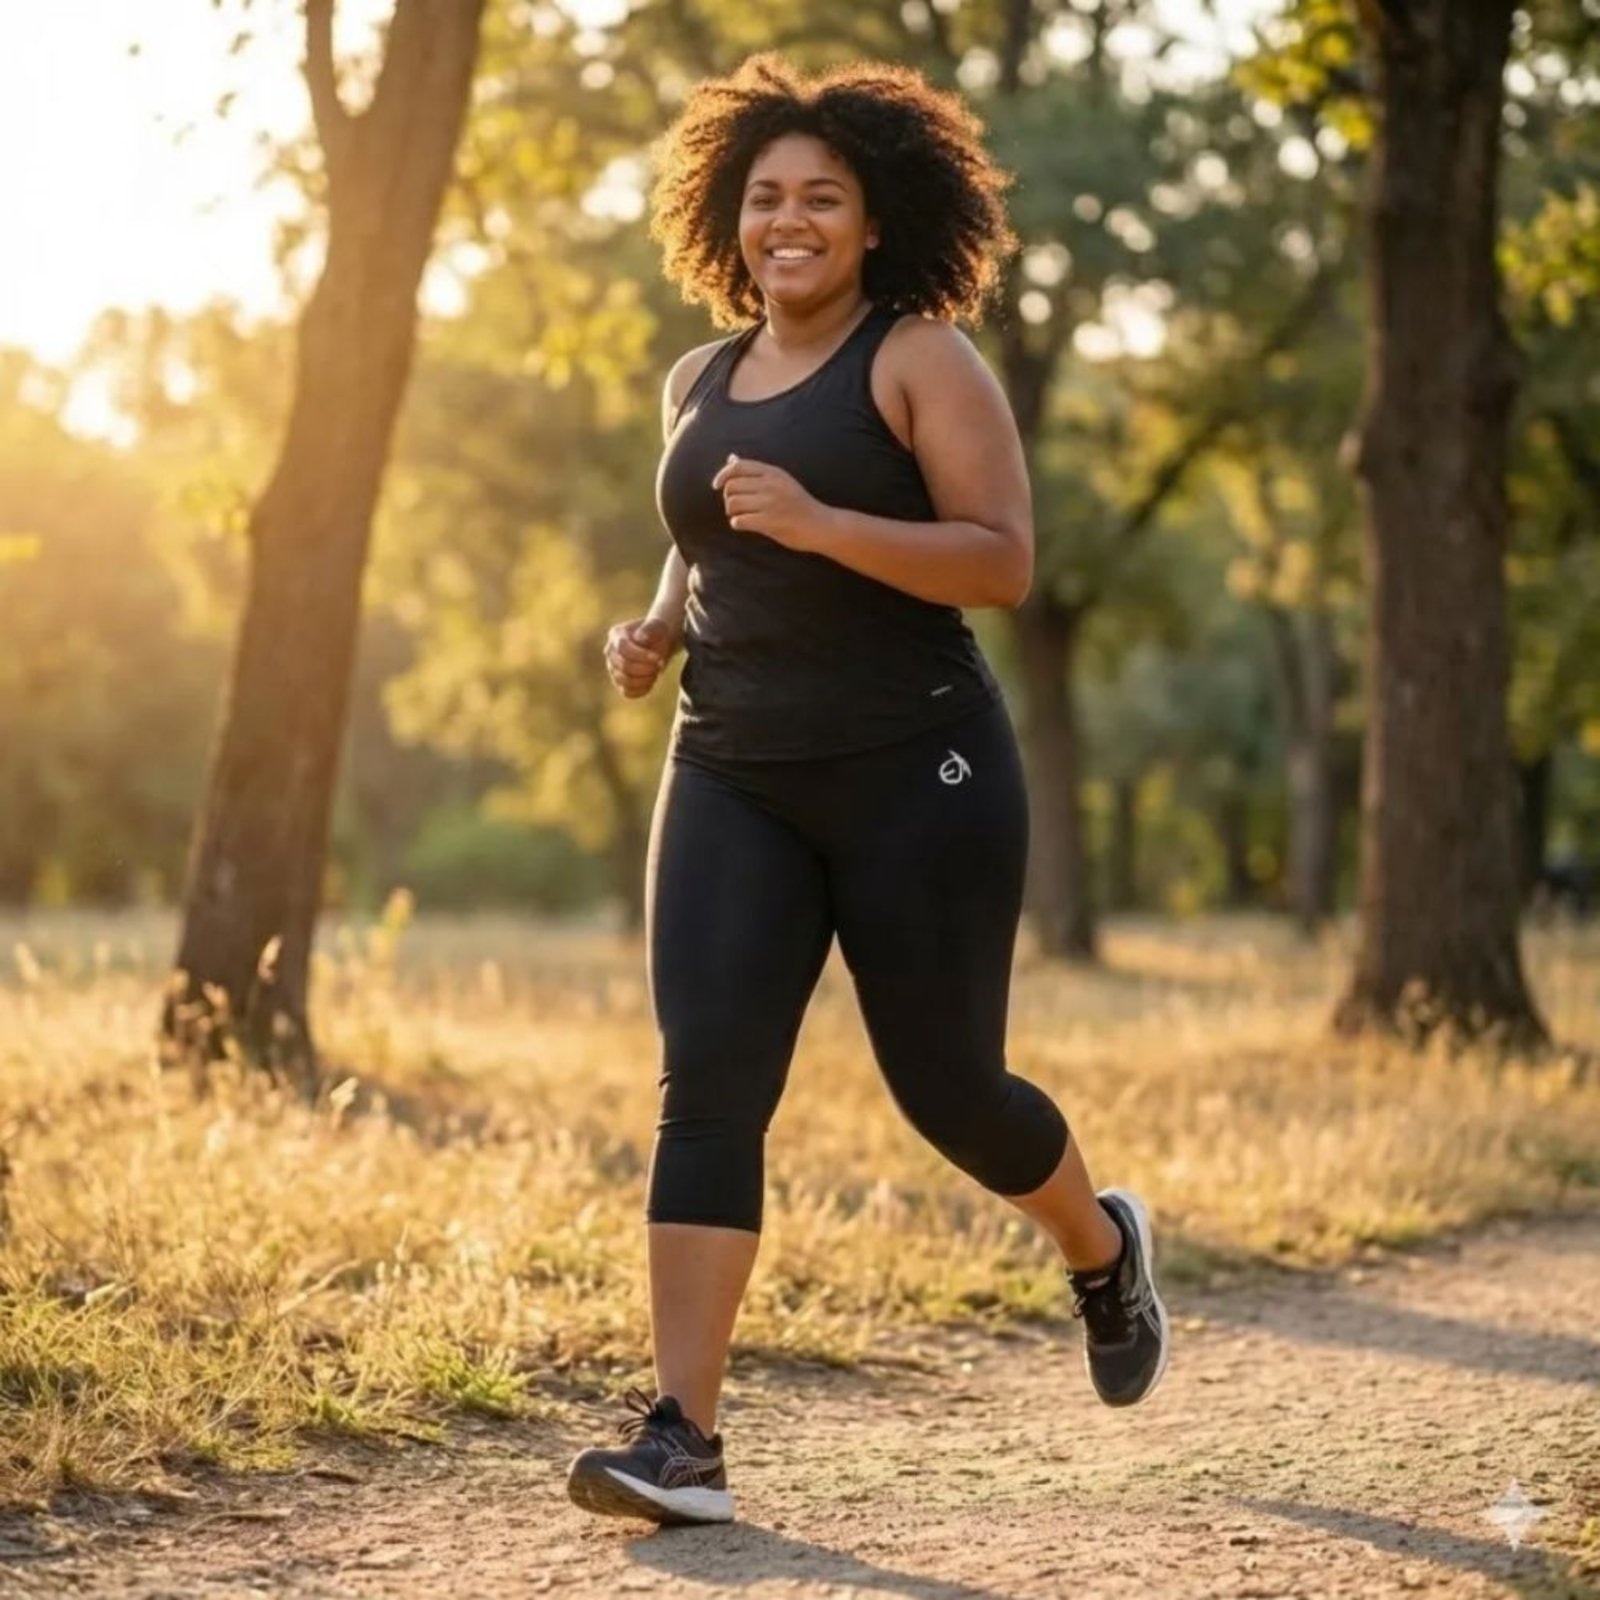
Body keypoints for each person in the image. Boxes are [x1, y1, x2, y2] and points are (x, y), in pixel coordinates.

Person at [565, 52, 1170, 1529]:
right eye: (765, 195)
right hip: (731, 769)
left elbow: (1002, 562)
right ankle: (683, 1441)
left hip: (921, 773)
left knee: (949, 1090)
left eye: (822, 198)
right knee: (709, 1083)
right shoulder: (699, 377)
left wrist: (826, 522)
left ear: (876, 219)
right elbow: (703, 534)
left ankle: (1101, 1250)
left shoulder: (920, 361)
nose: (790, 220)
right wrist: (658, 628)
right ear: (727, 214)